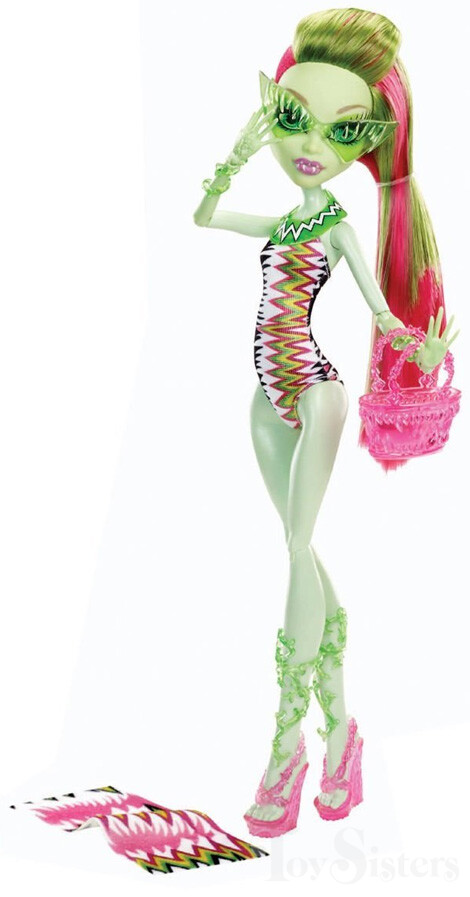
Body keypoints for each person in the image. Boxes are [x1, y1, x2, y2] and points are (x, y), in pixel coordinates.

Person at [193, 8, 458, 837]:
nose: (311, 144)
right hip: (264, 394)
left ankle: (285, 748)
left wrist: (417, 348)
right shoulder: (283, 223)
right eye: (293, 117)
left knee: (298, 547)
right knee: (300, 551)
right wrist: (238, 152)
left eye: (343, 130)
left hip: (314, 390)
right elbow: (206, 216)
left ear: (367, 144)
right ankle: (342, 733)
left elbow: (381, 313)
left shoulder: (336, 227)